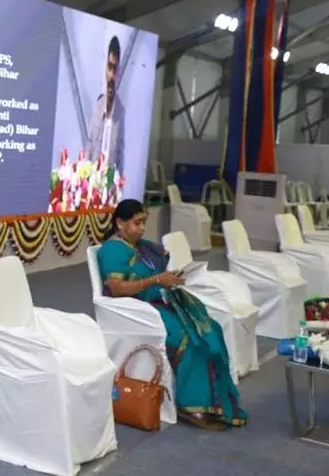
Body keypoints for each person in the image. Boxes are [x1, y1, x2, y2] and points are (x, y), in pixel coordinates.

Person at [97, 199, 247, 431]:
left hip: (159, 302)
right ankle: (192, 405)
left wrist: (171, 276)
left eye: (144, 222)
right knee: (191, 341)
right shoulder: (113, 249)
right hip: (139, 311)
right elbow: (116, 288)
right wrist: (157, 280)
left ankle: (215, 402)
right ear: (120, 223)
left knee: (210, 328)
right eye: (137, 223)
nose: (142, 228)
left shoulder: (140, 246)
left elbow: (156, 270)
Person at [86, 36, 125, 174]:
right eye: (109, 67)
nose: (111, 75)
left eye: (115, 69)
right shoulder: (98, 107)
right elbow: (89, 146)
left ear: (119, 72)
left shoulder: (120, 112)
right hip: (92, 183)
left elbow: (120, 155)